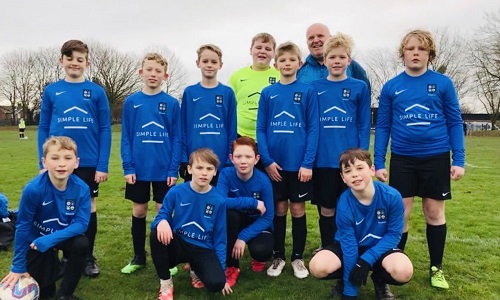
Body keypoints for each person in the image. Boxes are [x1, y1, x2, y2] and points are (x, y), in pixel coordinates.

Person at [374, 29, 465, 290]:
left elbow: (454, 122)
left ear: (430, 54)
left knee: (434, 213)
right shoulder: (392, 86)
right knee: (399, 213)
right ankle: (391, 267)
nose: (416, 53)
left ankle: (436, 268)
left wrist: (458, 159)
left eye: (422, 49)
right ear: (402, 53)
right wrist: (379, 162)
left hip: (436, 158)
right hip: (402, 159)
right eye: (411, 48)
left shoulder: (443, 84)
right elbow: (383, 127)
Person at [37, 40, 112, 277]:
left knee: (87, 206)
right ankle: (61, 256)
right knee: (56, 207)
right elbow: (43, 126)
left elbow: (105, 129)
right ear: (61, 61)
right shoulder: (51, 91)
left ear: (87, 63)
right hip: (58, 161)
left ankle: (87, 257)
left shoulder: (97, 92)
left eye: (80, 59)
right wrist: (43, 161)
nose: (74, 63)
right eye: (70, 58)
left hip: (88, 162)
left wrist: (102, 164)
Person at [309, 148, 413, 300]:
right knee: (317, 267)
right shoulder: (344, 203)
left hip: (380, 248)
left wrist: (366, 259)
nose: (355, 174)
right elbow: (349, 247)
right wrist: (350, 293)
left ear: (372, 170)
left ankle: (379, 279)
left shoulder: (392, 196)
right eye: (348, 171)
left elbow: (394, 234)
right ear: (343, 177)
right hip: (350, 248)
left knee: (403, 271)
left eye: (359, 168)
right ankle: (344, 281)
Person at [256, 42, 319, 279]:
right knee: (279, 208)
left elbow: (313, 128)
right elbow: (261, 128)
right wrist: (268, 161)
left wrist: (307, 163)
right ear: (276, 64)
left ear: (299, 64)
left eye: (292, 60)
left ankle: (298, 258)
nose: (287, 64)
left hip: (299, 165)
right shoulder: (268, 93)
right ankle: (279, 256)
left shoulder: (307, 91)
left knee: (298, 208)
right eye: (282, 60)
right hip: (275, 165)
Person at [1, 136, 91, 300]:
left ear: (76, 162)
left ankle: (65, 295)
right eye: (55, 158)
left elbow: (81, 224)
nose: (61, 163)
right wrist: (18, 265)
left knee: (81, 243)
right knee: (44, 291)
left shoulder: (82, 189)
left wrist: (50, 240)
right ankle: (50, 271)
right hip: (36, 241)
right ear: (44, 162)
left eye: (67, 158)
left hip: (58, 237)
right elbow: (22, 227)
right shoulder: (33, 189)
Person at [120, 53, 181, 275]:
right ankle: (139, 256)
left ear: (165, 75)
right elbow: (126, 136)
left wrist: (173, 168)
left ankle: (167, 258)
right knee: (139, 210)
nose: (153, 74)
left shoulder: (172, 103)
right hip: (139, 169)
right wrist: (128, 166)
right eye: (149, 70)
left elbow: (176, 138)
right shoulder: (132, 102)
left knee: (162, 213)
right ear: (141, 72)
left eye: (158, 71)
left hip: (164, 170)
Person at [310, 33, 371, 252]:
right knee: (327, 208)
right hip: (323, 160)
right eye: (332, 57)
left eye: (341, 57)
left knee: (353, 206)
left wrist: (362, 156)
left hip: (350, 162)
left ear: (349, 60)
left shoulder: (359, 87)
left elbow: (364, 124)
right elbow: (311, 125)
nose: (336, 61)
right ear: (324, 60)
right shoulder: (314, 88)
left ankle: (354, 245)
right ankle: (328, 247)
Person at [150, 148, 232, 300]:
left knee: (216, 284)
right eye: (199, 167)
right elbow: (163, 213)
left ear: (215, 172)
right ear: (189, 169)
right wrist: (161, 221)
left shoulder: (219, 200)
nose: (204, 173)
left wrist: (222, 271)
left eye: (209, 169)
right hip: (179, 244)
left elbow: (220, 239)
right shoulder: (176, 191)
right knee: (156, 233)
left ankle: (195, 268)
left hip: (202, 248)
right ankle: (166, 283)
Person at [217, 136, 274, 287]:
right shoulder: (225, 174)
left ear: (256, 159)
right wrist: (252, 202)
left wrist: (242, 237)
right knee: (229, 216)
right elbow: (219, 201)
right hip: (235, 221)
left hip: (257, 223)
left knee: (263, 251)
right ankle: (232, 266)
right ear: (231, 158)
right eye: (238, 156)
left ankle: (257, 256)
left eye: (248, 156)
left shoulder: (263, 181)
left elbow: (268, 217)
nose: (243, 161)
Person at [179, 44, 237, 185]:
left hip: (220, 162)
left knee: (218, 203)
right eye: (205, 61)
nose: (209, 65)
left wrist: (230, 160)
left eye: (214, 62)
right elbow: (183, 129)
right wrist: (183, 159)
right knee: (195, 204)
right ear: (198, 63)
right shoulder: (190, 92)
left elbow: (231, 130)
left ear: (220, 65)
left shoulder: (227, 93)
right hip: (195, 161)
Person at [228, 33, 280, 170]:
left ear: (274, 54)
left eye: (268, 49)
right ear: (250, 50)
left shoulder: (280, 75)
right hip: (241, 136)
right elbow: (229, 108)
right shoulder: (237, 76)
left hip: (269, 139)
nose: (263, 51)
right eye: (258, 47)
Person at [297, 23, 370, 90]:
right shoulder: (300, 71)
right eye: (311, 38)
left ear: (330, 38)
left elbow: (364, 94)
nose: (315, 40)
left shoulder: (352, 67)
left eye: (320, 36)